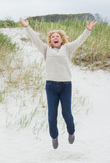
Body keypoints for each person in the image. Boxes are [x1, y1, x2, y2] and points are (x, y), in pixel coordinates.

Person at [19, 17, 97, 149]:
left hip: (66, 85)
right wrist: (27, 27)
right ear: (50, 40)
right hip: (51, 86)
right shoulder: (45, 49)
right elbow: (35, 39)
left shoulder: (67, 48)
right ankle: (54, 137)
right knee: (52, 115)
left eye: (58, 36)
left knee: (66, 113)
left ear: (61, 39)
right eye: (53, 36)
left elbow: (79, 41)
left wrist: (87, 30)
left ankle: (71, 132)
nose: (56, 37)